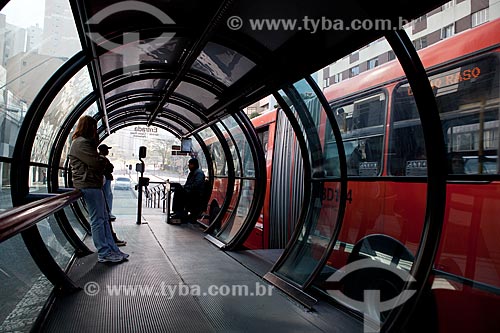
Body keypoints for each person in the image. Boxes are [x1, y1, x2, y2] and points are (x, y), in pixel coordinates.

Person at [68, 116, 128, 263]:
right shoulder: (81, 143)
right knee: (98, 220)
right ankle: (104, 252)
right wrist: (104, 161)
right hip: (88, 185)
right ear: (88, 127)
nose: (95, 131)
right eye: (93, 127)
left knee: (103, 219)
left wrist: (102, 162)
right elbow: (96, 163)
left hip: (92, 185)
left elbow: (98, 162)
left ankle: (110, 249)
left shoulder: (82, 143)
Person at [98, 144, 126, 247]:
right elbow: (110, 168)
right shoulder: (102, 159)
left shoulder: (101, 159)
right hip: (104, 184)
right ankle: (109, 241)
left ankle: (108, 240)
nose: (108, 151)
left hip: (104, 183)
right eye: (107, 150)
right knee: (107, 199)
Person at [170, 158, 206, 222]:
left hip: (195, 194)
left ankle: (179, 212)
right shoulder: (192, 173)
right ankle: (177, 211)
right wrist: (184, 187)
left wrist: (187, 188)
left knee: (179, 192)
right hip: (190, 192)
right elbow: (187, 184)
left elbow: (197, 184)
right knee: (178, 189)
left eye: (190, 164)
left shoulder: (199, 173)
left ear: (194, 165)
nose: (189, 166)